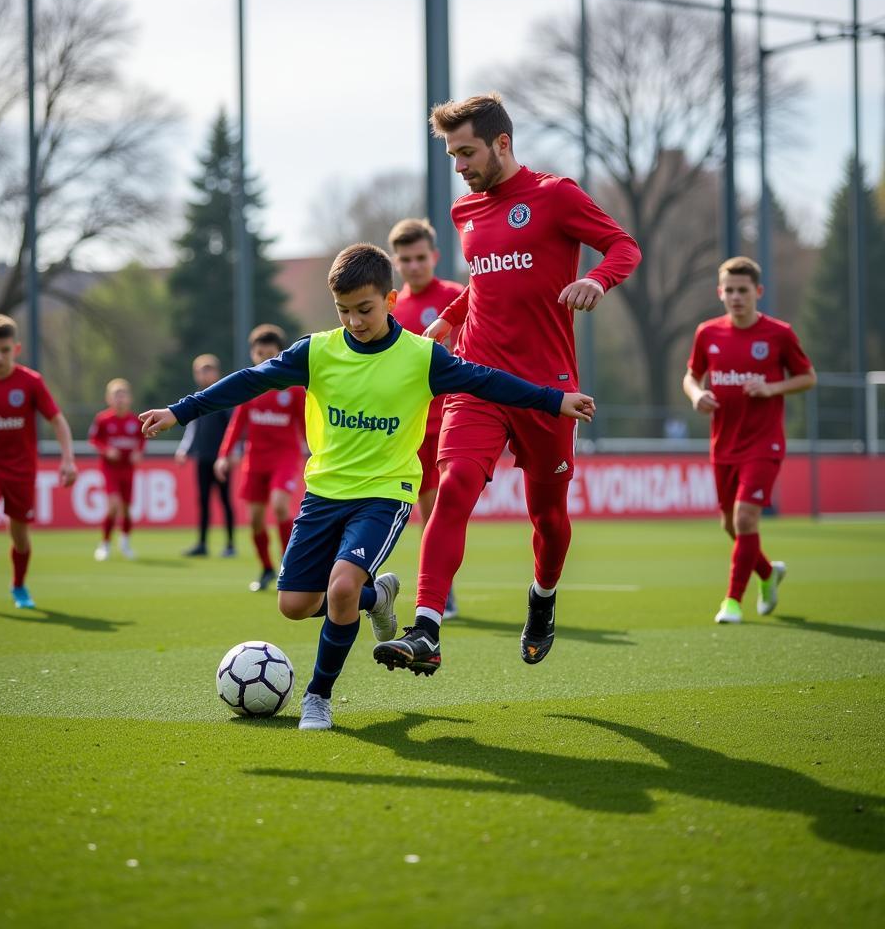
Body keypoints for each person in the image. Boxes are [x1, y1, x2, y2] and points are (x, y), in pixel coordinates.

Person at [140, 243, 595, 729]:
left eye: (365, 309)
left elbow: (486, 380)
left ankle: (319, 696)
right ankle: (377, 597)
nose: (354, 320)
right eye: (344, 311)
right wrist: (178, 411)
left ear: (391, 300)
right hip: (323, 494)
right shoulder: (317, 351)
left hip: (384, 494)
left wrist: (553, 400)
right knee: (295, 606)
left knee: (339, 588)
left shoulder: (420, 356)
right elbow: (248, 381)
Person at [375, 92, 640, 676]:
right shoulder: (465, 212)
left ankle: (542, 598)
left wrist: (597, 279)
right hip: (478, 378)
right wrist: (452, 316)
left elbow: (624, 245)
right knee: (453, 488)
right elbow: (487, 283)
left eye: (467, 152)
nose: (460, 165)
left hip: (548, 387)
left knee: (547, 517)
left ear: (502, 143)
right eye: (451, 155)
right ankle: (426, 628)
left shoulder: (555, 196)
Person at [683, 256, 816, 624]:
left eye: (743, 290)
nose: (736, 297)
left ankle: (732, 601)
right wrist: (697, 396)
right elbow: (691, 377)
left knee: (744, 519)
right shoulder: (707, 333)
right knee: (730, 525)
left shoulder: (779, 334)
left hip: (764, 443)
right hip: (723, 442)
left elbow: (807, 377)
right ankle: (769, 573)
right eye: (730, 290)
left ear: (758, 292)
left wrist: (772, 387)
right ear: (720, 293)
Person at [0, 314, 77, 612]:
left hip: (22, 470)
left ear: (16, 349)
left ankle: (19, 586)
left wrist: (68, 459)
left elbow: (57, 421)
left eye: (4, 351)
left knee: (19, 534)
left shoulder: (31, 382)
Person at [388, 217, 465, 619]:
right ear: (396, 262)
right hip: (404, 425)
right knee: (403, 504)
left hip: (450, 420)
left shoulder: (456, 298)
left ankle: (439, 590)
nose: (414, 266)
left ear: (434, 256)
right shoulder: (390, 307)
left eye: (420, 257)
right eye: (406, 259)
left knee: (435, 505)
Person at [214, 324, 306, 593]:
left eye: (269, 353)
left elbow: (305, 425)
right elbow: (236, 425)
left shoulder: (293, 389)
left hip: (284, 458)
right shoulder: (249, 387)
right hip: (255, 461)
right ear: (253, 355)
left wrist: (314, 449)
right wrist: (224, 455)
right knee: (255, 519)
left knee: (279, 506)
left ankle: (289, 565)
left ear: (280, 354)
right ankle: (266, 568)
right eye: (259, 354)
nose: (264, 359)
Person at [175, 354, 236, 558]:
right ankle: (202, 543)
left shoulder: (223, 397)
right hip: (203, 457)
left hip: (220, 460)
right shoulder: (196, 399)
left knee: (225, 501)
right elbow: (191, 428)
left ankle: (230, 544)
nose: (204, 374)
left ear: (216, 373)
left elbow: (233, 428)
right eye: (201, 370)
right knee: (203, 501)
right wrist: (184, 449)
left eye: (208, 370)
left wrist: (232, 453)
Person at [89, 378, 145, 561]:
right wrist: (107, 450)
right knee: (113, 505)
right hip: (110, 469)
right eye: (116, 395)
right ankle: (104, 544)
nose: (120, 399)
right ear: (109, 399)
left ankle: (125, 543)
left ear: (130, 398)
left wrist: (138, 452)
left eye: (123, 395)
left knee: (127, 509)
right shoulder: (103, 420)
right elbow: (94, 440)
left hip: (128, 469)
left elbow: (142, 440)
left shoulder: (135, 421)